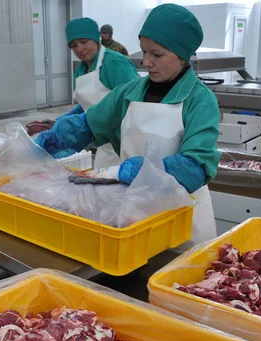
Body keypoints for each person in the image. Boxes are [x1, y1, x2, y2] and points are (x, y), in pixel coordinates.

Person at [36, 4, 220, 248]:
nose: (146, 62)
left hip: (184, 221)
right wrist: (48, 142)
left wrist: (146, 170)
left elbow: (196, 167)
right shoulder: (129, 93)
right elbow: (87, 124)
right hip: (135, 215)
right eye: (144, 52)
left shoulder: (200, 100)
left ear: (183, 56)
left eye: (157, 54)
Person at [62, 17, 139, 168]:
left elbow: (134, 102)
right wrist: (63, 120)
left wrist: (92, 123)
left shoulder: (114, 63)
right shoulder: (80, 71)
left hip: (126, 143)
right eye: (74, 45)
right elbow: (87, 106)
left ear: (96, 39)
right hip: (104, 144)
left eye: (84, 42)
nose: (79, 49)